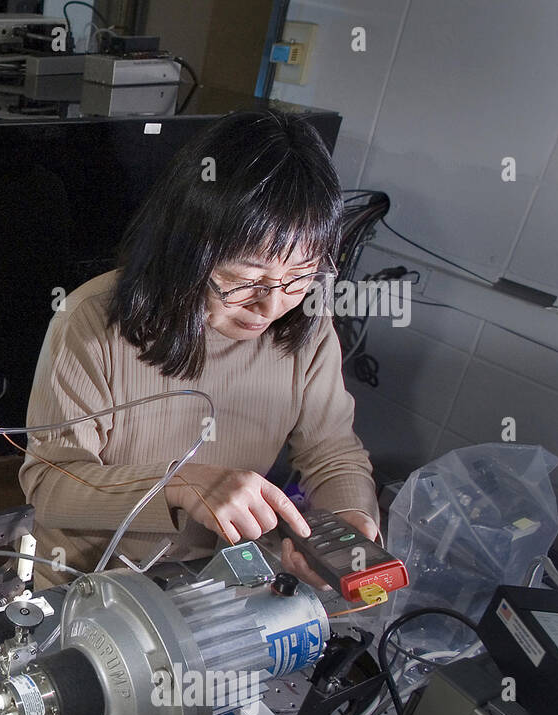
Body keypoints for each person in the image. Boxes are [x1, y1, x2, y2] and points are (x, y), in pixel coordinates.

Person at [20, 109, 380, 588]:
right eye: (245, 278)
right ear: (190, 247)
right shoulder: (91, 321)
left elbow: (332, 453)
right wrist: (178, 483)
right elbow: (52, 486)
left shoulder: (306, 326)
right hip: (87, 581)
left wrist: (349, 519)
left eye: (298, 277)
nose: (270, 304)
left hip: (216, 580)